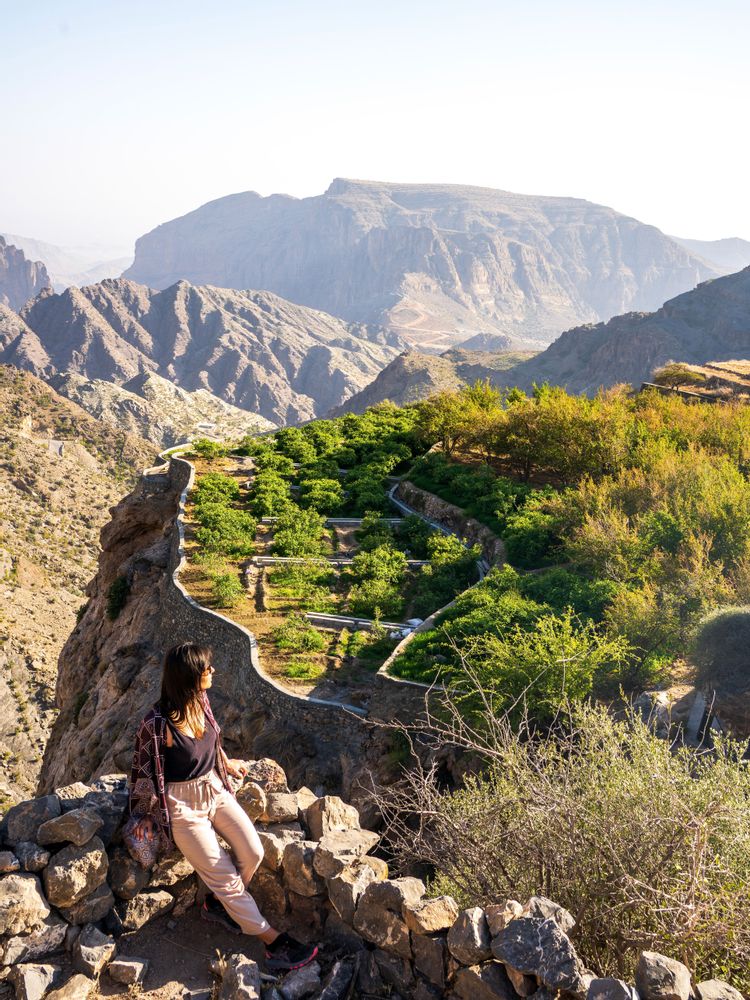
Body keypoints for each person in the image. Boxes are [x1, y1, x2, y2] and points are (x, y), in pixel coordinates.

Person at [128, 642, 318, 971]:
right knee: (228, 879)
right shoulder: (157, 724)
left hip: (214, 788)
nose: (212, 671)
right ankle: (271, 941)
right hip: (181, 805)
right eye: (206, 668)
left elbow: (212, 740)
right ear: (189, 676)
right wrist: (145, 813)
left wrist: (227, 763)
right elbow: (142, 770)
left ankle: (219, 905)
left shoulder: (200, 701)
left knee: (253, 852)